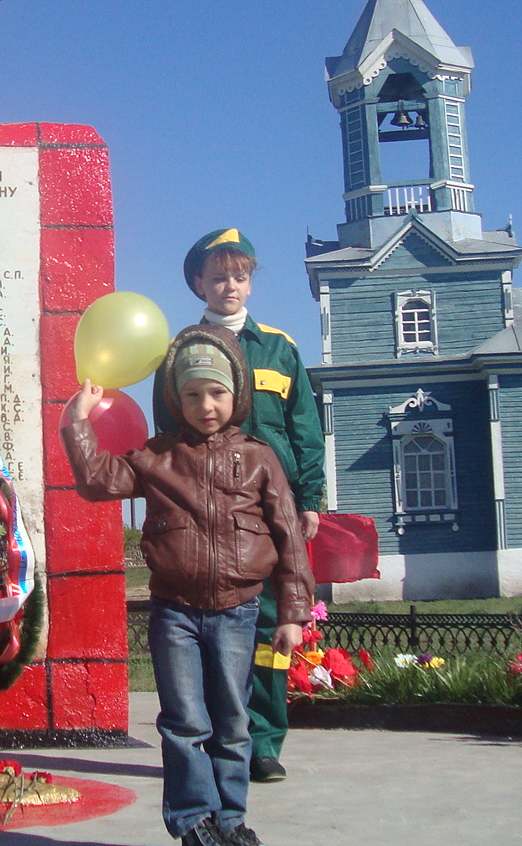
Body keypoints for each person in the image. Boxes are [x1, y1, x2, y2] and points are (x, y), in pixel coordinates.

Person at [66, 326, 314, 846]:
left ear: (237, 394)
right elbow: (96, 481)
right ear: (176, 400)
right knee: (183, 722)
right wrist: (78, 421)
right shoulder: (158, 457)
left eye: (218, 392)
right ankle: (194, 822)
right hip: (175, 613)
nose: (206, 405)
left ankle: (230, 820)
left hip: (238, 612)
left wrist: (292, 613)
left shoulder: (258, 458)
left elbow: (289, 535)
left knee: (233, 720)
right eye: (193, 393)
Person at [152, 229, 327, 785]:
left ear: (250, 281)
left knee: (274, 627)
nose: (231, 285)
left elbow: (305, 430)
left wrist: (311, 500)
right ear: (199, 282)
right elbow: (167, 434)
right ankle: (208, 742)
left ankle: (264, 742)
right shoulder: (181, 350)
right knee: (210, 631)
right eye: (219, 275)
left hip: (271, 517)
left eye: (240, 275)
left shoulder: (280, 348)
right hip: (207, 519)